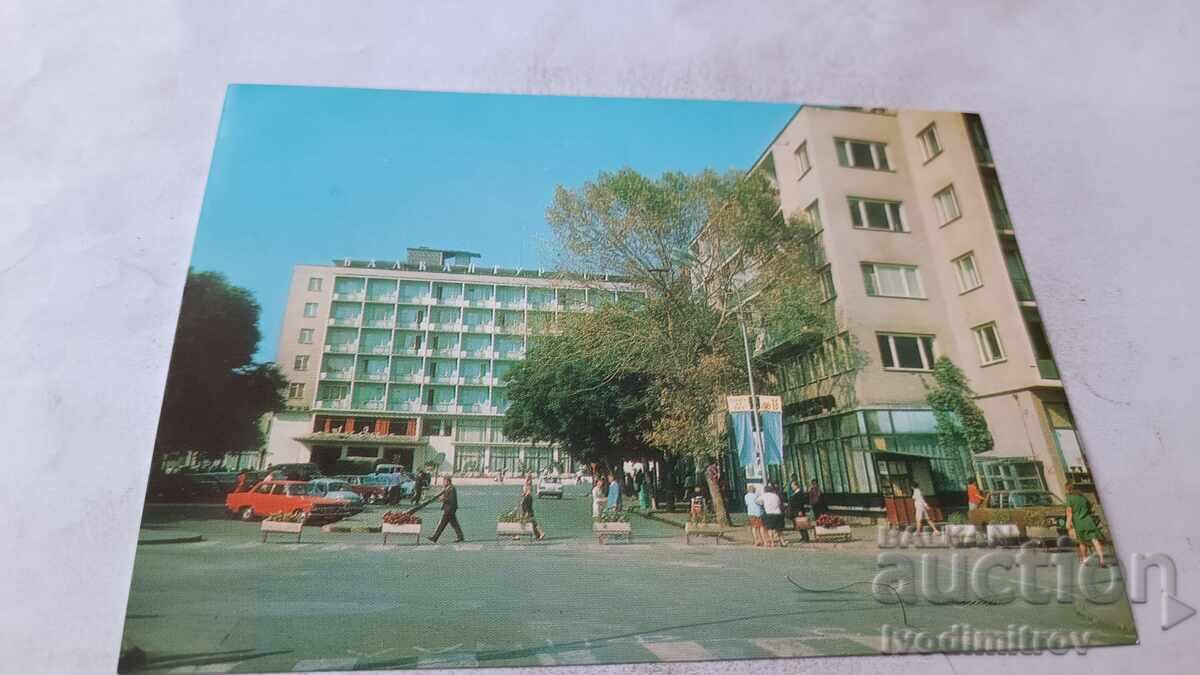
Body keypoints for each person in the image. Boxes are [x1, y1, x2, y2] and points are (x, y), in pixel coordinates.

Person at [1066, 487, 1106, 567]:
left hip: (1078, 522)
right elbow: (1089, 510)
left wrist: (1068, 523)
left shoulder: (1070, 498)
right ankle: (1101, 559)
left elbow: (1069, 512)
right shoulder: (1084, 498)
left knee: (1082, 541)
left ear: (1070, 491)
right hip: (1088, 521)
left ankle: (1084, 560)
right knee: (1095, 540)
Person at [428, 477, 464, 543]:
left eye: (444, 481)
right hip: (450, 509)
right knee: (454, 524)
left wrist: (442, 499)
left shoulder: (451, 489)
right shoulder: (448, 488)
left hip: (449, 509)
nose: (443, 483)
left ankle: (435, 538)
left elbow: (451, 499)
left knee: (442, 524)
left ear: (448, 481)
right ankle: (460, 536)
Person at [758, 483, 786, 547]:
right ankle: (782, 541)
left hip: (769, 513)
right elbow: (779, 503)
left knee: (770, 529)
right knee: (779, 529)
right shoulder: (776, 495)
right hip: (778, 513)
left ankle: (772, 542)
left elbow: (757, 501)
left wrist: (763, 503)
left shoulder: (764, 495)